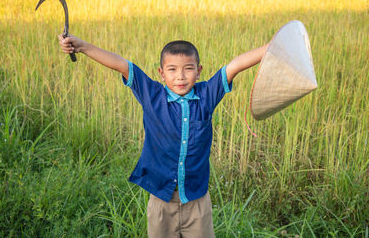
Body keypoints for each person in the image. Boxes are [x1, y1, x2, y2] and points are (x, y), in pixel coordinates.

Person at [59, 34, 269, 237]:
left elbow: (235, 66)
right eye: (172, 69)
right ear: (161, 73)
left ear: (198, 71)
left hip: (197, 201)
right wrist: (82, 46)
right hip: (161, 201)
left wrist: (272, 47)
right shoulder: (152, 95)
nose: (180, 76)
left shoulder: (207, 95)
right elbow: (121, 64)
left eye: (188, 69)